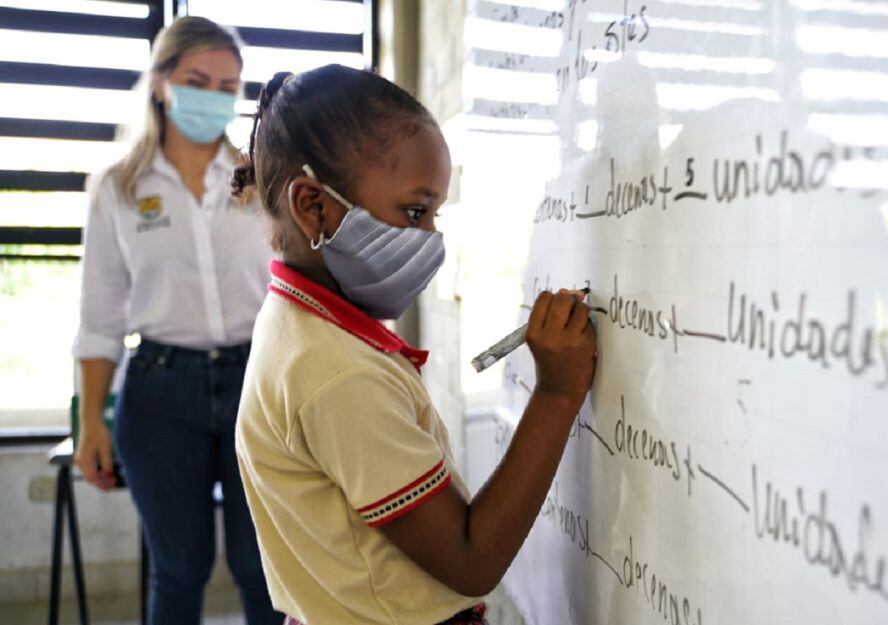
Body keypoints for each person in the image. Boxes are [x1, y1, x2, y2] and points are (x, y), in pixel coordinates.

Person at [231, 65, 597, 625]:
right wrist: (557, 392)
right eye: (413, 211)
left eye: (434, 214)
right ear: (312, 205)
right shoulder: (336, 374)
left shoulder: (300, 325)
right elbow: (471, 561)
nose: (429, 240)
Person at [72, 16, 281, 625]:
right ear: (162, 84)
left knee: (264, 569)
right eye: (197, 80)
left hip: (258, 385)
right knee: (178, 570)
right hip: (161, 392)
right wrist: (91, 421)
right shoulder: (119, 188)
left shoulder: (263, 180)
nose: (212, 97)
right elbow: (100, 316)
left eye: (227, 86)